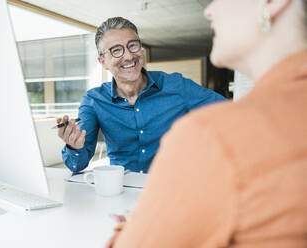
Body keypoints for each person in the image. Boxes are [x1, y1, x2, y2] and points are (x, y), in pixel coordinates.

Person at [106, 0, 307, 247]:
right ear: (103, 61)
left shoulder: (213, 133)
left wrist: (133, 226)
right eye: (115, 50)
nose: (209, 11)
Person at [57, 17, 225, 173]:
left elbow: (230, 112)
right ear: (103, 62)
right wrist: (74, 147)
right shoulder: (94, 100)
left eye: (133, 45)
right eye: (116, 50)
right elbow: (77, 165)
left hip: (175, 187)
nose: (129, 56)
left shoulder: (177, 85)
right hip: (123, 191)